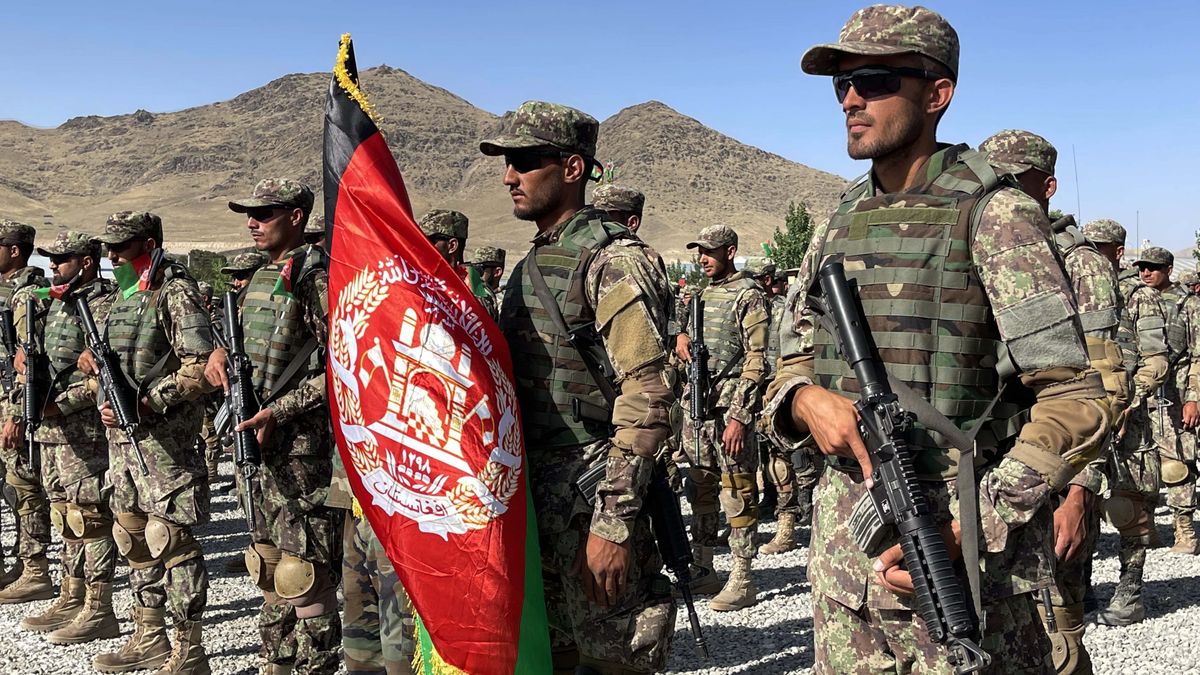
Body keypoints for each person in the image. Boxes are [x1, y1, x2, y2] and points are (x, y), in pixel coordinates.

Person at [764, 6, 1109, 671]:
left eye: (872, 79)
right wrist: (805, 399)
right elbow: (787, 363)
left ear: (936, 93)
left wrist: (979, 522)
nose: (851, 99)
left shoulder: (996, 216)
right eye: (840, 83)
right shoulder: (838, 216)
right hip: (847, 576)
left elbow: (1074, 397)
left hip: (964, 573)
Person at [480, 100, 677, 674]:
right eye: (506, 162)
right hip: (538, 504)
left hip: (594, 499)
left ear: (572, 169)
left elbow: (648, 398)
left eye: (524, 161)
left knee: (614, 662)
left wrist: (613, 525)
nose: (508, 176)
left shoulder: (613, 260)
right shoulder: (530, 263)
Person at [981, 129, 1126, 672]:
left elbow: (1103, 384)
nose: (1001, 197)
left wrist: (1081, 489)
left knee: (1057, 631)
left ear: (1048, 188)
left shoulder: (1077, 263)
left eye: (1015, 183)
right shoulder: (981, 245)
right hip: (992, 474)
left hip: (1057, 471)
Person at [206, 179, 344, 674]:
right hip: (259, 446)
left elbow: (343, 370)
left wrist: (279, 413)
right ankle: (278, 662)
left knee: (304, 573)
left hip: (300, 450)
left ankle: (316, 666)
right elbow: (243, 349)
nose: (252, 221)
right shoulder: (264, 276)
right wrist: (218, 353)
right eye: (249, 212)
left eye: (264, 213)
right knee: (267, 563)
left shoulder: (316, 278)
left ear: (297, 216)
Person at [83, 211, 216, 674]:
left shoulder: (174, 291)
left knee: (172, 541)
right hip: (121, 444)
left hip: (165, 444)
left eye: (123, 245)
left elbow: (199, 365)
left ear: (151, 242)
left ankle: (189, 650)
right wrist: (102, 392)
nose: (113, 254)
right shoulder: (119, 295)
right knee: (133, 536)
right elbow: (110, 363)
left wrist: (148, 403)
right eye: (109, 247)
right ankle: (150, 636)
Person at [12, 232, 120, 645]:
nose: (54, 264)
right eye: (52, 258)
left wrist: (63, 405)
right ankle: (71, 594)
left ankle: (99, 607)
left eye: (63, 258)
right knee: (64, 515)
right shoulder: (54, 304)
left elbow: (108, 377)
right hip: (52, 430)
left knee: (90, 517)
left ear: (87, 262)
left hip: (84, 428)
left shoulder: (103, 305)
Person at [674, 226, 768, 610]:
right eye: (700, 251)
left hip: (730, 411)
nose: (703, 258)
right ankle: (704, 566)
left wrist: (740, 417)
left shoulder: (749, 296)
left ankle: (743, 578)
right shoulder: (700, 296)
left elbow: (757, 360)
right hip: (699, 409)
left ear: (730, 251)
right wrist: (680, 336)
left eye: (710, 251)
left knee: (738, 491)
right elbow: (681, 334)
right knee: (700, 487)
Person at [1094, 246, 1174, 626]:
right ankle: (1075, 588)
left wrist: (1130, 399)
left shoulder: (1138, 297)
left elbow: (1157, 360)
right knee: (1077, 501)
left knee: (1130, 506)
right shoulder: (1071, 287)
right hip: (1079, 414)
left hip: (1129, 420)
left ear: (1116, 252)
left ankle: (1130, 593)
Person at [0, 219, 51, 602]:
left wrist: (17, 413)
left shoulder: (30, 293)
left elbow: (27, 362)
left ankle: (35, 569)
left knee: (23, 485)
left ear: (14, 250)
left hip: (12, 403)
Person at [417, 209, 498, 320]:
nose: (422, 247)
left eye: (429, 242)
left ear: (452, 246)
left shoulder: (475, 287)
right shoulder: (420, 281)